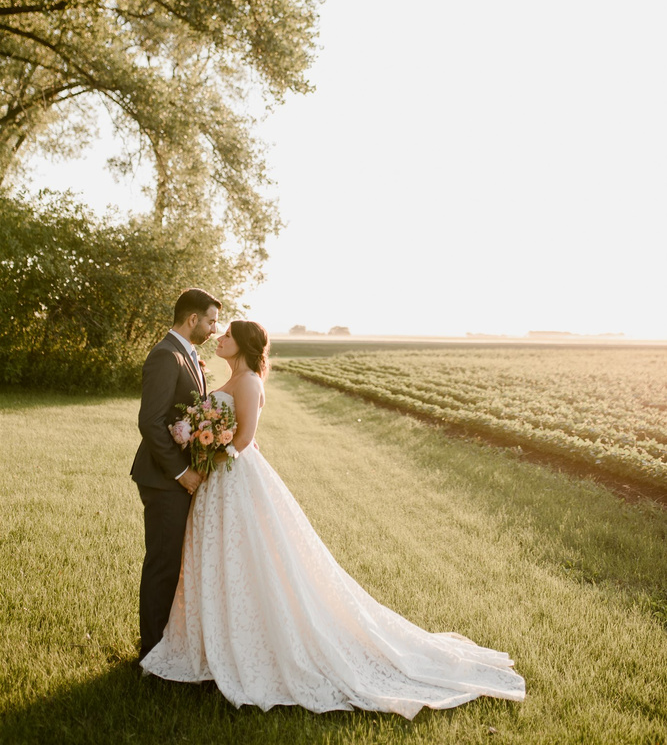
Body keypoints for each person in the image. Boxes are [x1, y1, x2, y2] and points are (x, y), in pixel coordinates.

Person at [141, 320, 526, 716]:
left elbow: (241, 440)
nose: (218, 339)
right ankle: (217, 640)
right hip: (218, 482)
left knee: (252, 559)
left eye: (226, 337)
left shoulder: (250, 381)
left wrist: (208, 460)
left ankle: (255, 645)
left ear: (241, 345)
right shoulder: (230, 377)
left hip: (233, 477)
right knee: (223, 561)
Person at [131, 287, 221, 661]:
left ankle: (166, 643)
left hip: (174, 477)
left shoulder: (189, 355)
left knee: (173, 562)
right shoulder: (166, 356)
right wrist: (182, 471)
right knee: (163, 563)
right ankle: (151, 653)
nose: (215, 328)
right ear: (193, 318)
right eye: (212, 320)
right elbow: (150, 422)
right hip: (162, 478)